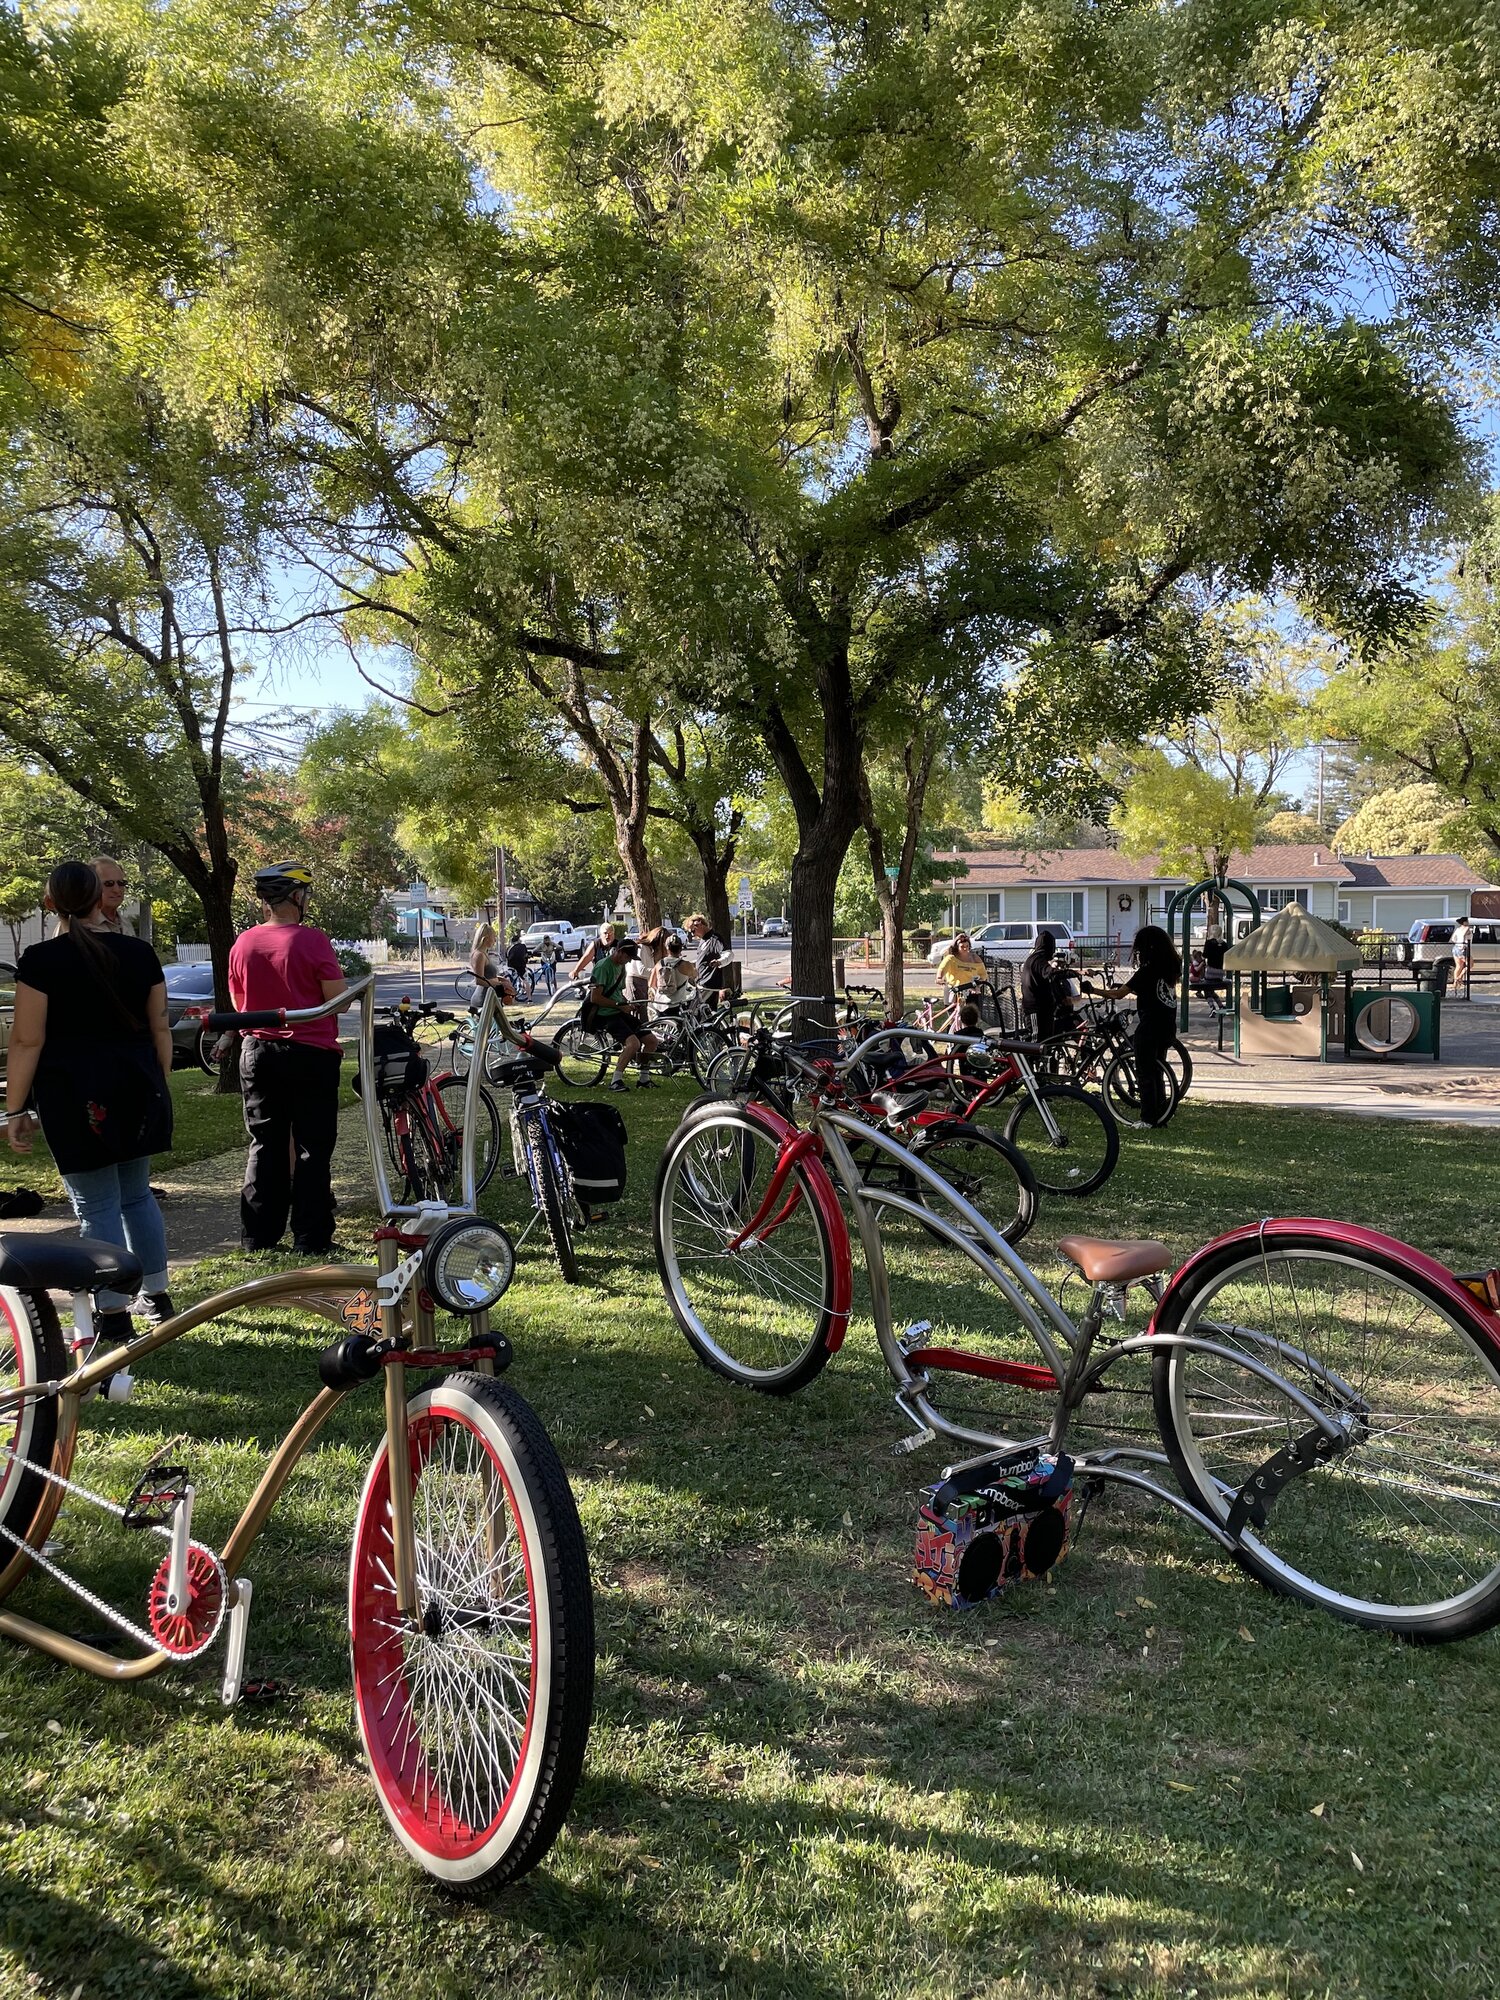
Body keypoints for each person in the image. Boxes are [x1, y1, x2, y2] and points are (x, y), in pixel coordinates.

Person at [6, 862, 174, 1336]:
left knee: (96, 1206)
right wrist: (158, 1087)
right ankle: (157, 1294)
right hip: (137, 1086)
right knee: (137, 1195)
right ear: (99, 899)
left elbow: (26, 1040)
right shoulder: (139, 952)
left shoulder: (41, 960)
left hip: (74, 1094)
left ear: (50, 903)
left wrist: (15, 1108)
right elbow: (160, 1027)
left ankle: (114, 1311)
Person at [229, 860, 348, 1254]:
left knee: (265, 1143)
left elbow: (239, 1003)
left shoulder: (243, 943)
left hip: (259, 1052)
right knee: (313, 1146)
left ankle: (258, 1236)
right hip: (311, 1053)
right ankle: (311, 1237)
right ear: (297, 896)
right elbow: (338, 1000)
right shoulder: (312, 941)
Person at [1091, 924, 1182, 1127]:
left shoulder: (1146, 971)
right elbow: (1150, 990)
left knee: (1145, 1072)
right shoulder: (1170, 967)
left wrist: (1094, 990)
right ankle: (1161, 1114)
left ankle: (1147, 1118)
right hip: (1167, 1026)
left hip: (1149, 1027)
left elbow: (1118, 994)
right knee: (1157, 1071)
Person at [587, 936, 660, 1091]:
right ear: (619, 952)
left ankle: (644, 1079)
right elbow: (595, 998)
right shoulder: (602, 967)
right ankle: (616, 1080)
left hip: (618, 1010)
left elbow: (618, 993)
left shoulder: (621, 967)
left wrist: (628, 1004)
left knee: (652, 1041)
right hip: (605, 1014)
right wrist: (619, 1006)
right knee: (634, 1044)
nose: (628, 961)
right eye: (628, 957)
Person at [1019, 929, 1077, 1041]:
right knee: (1037, 1043)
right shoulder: (1037, 960)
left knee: (1047, 1041)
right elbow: (1051, 973)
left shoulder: (1036, 959)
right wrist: (1076, 973)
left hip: (1044, 1010)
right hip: (1036, 1010)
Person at [468, 920, 516, 1008]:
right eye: (493, 937)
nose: (495, 940)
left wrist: (502, 980)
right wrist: (501, 983)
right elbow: (479, 980)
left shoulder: (484, 953)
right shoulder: (479, 955)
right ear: (486, 938)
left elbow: (488, 976)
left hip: (491, 998)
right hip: (483, 1000)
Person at [89, 855, 134, 936]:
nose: (117, 890)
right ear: (92, 886)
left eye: (121, 883)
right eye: (109, 884)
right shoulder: (80, 925)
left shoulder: (126, 924)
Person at [686, 913, 730, 995]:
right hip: (701, 983)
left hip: (711, 985)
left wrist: (719, 962)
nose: (692, 935)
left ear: (699, 924)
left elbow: (729, 954)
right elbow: (703, 959)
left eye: (693, 931)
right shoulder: (703, 940)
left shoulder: (715, 938)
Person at [935, 931, 986, 998]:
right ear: (957, 947)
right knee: (952, 1004)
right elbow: (942, 969)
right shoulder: (951, 958)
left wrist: (977, 985)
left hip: (971, 991)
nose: (965, 948)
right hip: (954, 990)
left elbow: (983, 974)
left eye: (967, 946)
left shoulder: (975, 958)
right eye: (962, 947)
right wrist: (939, 978)